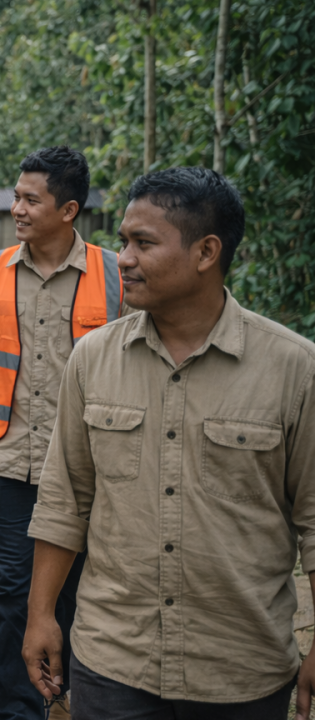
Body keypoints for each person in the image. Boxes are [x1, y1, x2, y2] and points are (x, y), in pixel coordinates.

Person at [22, 166, 315, 719]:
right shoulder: (93, 359)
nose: (123, 259)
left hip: (240, 670)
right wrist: (40, 615)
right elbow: (65, 500)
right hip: (113, 661)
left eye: (143, 243)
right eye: (123, 242)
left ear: (206, 252)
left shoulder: (293, 369)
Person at [0, 146, 126, 720]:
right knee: (7, 601)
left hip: (89, 472)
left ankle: (67, 698)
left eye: (31, 200)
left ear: (69, 210)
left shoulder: (116, 275)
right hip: (5, 463)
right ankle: (16, 712)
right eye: (16, 197)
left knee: (80, 598)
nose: (17, 209)